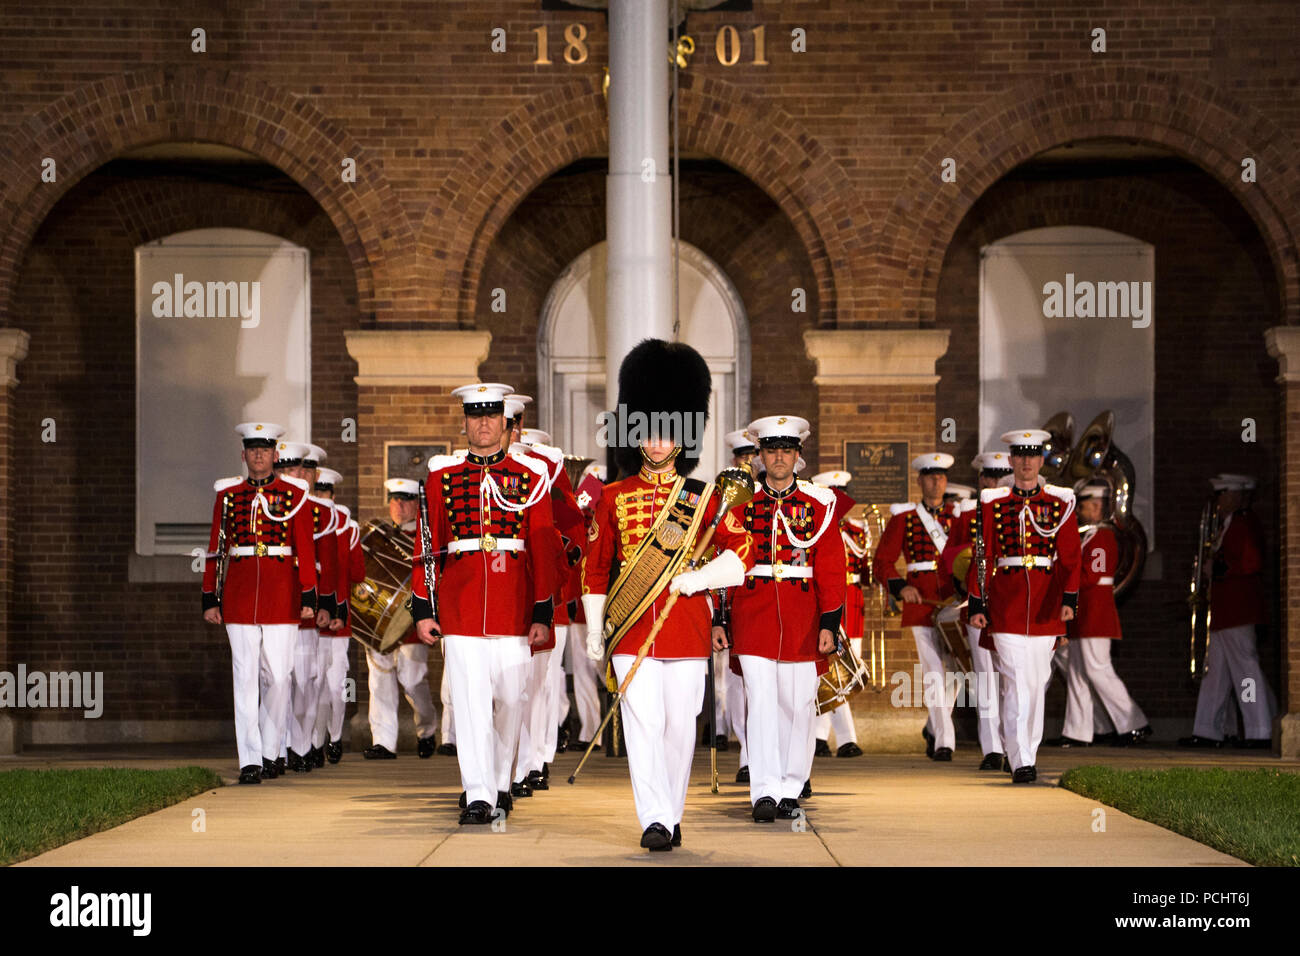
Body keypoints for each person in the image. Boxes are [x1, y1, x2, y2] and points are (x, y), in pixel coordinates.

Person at [581, 339, 753, 851]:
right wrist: (594, 628)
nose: (656, 443)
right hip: (632, 629)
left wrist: (697, 580)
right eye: (648, 432)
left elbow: (740, 558)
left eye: (666, 432)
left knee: (680, 730)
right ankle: (654, 818)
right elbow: (596, 568)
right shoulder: (613, 496)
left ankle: (672, 811)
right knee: (644, 724)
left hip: (687, 626)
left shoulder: (707, 497)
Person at [411, 383, 556, 825]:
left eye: (492, 415)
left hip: (513, 604)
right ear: (465, 423)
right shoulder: (443, 479)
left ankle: (500, 781)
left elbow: (544, 548)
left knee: (512, 699)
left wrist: (542, 611)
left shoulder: (532, 478)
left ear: (506, 424)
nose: (484, 423)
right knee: (471, 703)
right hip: (461, 605)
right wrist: (423, 607)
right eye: (476, 416)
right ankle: (478, 793)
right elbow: (429, 544)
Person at [725, 418, 844, 822]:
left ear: (797, 456)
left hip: (803, 617)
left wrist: (830, 622)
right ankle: (764, 791)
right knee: (760, 703)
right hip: (752, 612)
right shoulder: (739, 504)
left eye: (786, 450)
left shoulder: (819, 505)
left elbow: (830, 566)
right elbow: (723, 564)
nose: (779, 457)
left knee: (798, 706)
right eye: (771, 450)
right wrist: (719, 619)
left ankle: (791, 787)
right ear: (759, 455)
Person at [202, 422, 318, 784]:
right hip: (238, 592)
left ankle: (272, 749)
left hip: (281, 592)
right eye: (252, 450)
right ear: (243, 455)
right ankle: (251, 759)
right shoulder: (228, 494)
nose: (258, 455)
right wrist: (211, 595)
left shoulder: (294, 494)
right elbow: (216, 548)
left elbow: (304, 547)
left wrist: (308, 593)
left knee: (280, 678)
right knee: (245, 677)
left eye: (265, 450)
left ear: (275, 455)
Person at [967, 429, 1081, 783]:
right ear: (1012, 461)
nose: (1027, 462)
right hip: (1007, 602)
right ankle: (1020, 760)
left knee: (1037, 682)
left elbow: (1071, 557)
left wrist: (1069, 600)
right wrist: (976, 602)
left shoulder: (1060, 503)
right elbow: (982, 555)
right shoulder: (993, 503)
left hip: (1046, 605)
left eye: (1033, 456)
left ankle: (1027, 751)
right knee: (1016, 682)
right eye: (1021, 456)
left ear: (1041, 461)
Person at [872, 453, 961, 760]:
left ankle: (934, 727)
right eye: (930, 477)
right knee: (934, 671)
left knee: (956, 672)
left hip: (954, 601)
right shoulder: (905, 519)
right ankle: (945, 742)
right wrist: (901, 587)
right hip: (921, 602)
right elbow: (881, 562)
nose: (936, 482)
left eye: (941, 477)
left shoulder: (959, 518)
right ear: (920, 481)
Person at [1181, 474, 1276, 749]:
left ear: (1235, 496)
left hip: (1239, 608)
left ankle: (1259, 729)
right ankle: (1207, 730)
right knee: (1216, 674)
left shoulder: (1244, 523)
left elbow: (1250, 562)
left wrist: (1218, 569)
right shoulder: (1230, 524)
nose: (1219, 502)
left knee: (1246, 670)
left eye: (1222, 495)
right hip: (1225, 609)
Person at [1058, 482, 1151, 747]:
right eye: (1088, 505)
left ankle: (1134, 723)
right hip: (1082, 613)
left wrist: (1062, 575)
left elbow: (1092, 574)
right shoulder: (1088, 535)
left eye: (1091, 505)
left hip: (1095, 614)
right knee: (1077, 673)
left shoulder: (1103, 537)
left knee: (1099, 670)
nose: (1089, 510)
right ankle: (1078, 731)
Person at [940, 451, 1013, 770]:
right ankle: (993, 749)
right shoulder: (969, 514)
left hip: (1011, 601)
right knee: (985, 678)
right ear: (981, 480)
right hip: (978, 599)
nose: (992, 481)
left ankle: (1016, 745)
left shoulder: (1017, 510)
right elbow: (950, 556)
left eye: (999, 476)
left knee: (1012, 678)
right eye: (988, 476)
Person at [363, 478, 439, 759]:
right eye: (394, 500)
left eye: (405, 500)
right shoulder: (380, 535)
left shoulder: (425, 535)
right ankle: (383, 741)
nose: (399, 505)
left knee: (412, 678)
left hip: (410, 621)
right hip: (378, 618)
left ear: (416, 505)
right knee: (379, 679)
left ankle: (427, 728)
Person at [809, 470, 864, 759]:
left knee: (841, 674)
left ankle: (826, 737)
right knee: (830, 673)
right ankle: (842, 739)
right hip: (828, 605)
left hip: (852, 605)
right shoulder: (817, 526)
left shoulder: (855, 529)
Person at [315, 475, 362, 764]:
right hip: (308, 617)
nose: (322, 498)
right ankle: (312, 742)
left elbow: (357, 573)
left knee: (335, 684)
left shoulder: (347, 527)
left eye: (326, 493)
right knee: (313, 683)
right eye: (317, 492)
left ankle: (334, 737)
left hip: (338, 618)